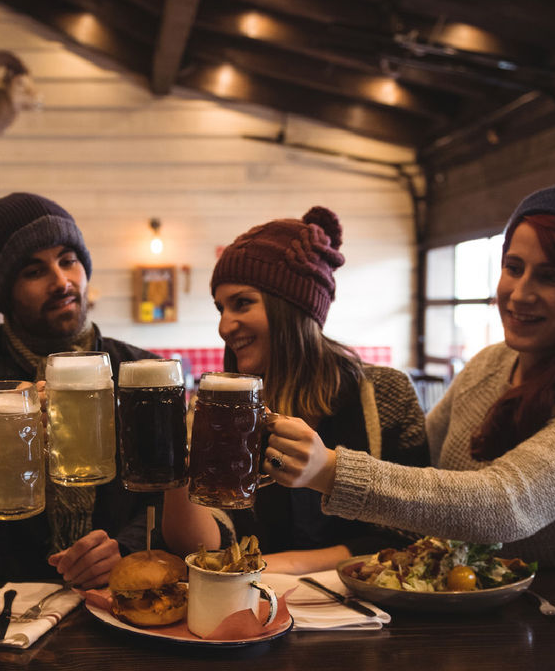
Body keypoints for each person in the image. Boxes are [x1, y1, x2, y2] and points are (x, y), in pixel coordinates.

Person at [264, 183, 555, 569]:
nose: (520, 294)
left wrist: (330, 470)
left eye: (550, 276)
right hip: (472, 606)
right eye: (513, 268)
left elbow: (504, 505)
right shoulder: (491, 364)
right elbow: (419, 469)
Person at [0, 192, 216, 587]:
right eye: (33, 271)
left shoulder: (140, 373)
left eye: (68, 260)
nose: (61, 282)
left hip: (121, 593)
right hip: (0, 594)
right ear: (3, 292)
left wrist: (123, 549)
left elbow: (165, 491)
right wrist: (10, 435)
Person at [163, 206, 431, 575]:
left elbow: (410, 532)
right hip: (250, 611)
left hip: (370, 613)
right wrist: (173, 453)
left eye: (241, 303)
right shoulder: (221, 407)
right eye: (220, 308)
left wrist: (277, 565)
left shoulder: (384, 394)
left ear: (291, 306)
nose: (224, 326)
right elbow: (204, 546)